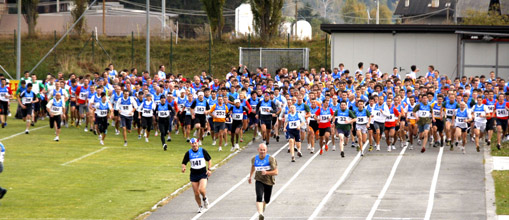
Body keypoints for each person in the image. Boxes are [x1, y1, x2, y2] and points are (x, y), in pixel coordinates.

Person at [181, 138, 212, 213]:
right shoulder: (188, 153)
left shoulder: (202, 151)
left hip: (202, 173)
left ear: (197, 143)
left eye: (195, 143)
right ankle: (200, 206)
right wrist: (183, 167)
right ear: (190, 144)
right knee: (196, 193)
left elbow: (209, 160)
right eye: (193, 143)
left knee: (201, 189)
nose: (194, 145)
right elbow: (184, 162)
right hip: (194, 174)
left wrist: (209, 169)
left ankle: (205, 198)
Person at [249, 143, 278, 220]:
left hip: (269, 181)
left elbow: (276, 172)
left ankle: (263, 205)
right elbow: (253, 167)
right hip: (259, 180)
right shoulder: (254, 159)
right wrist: (250, 176)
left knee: (267, 199)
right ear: (258, 150)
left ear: (266, 150)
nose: (262, 151)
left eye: (264, 150)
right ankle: (260, 214)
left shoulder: (270, 159)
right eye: (261, 150)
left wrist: (267, 172)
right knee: (259, 196)